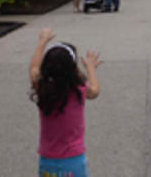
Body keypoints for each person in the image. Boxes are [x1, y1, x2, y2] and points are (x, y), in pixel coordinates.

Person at [29, 28, 101, 177]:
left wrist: (42, 42)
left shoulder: (43, 88)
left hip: (47, 160)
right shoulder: (78, 90)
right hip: (74, 161)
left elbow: (34, 68)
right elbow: (94, 90)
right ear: (73, 68)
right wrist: (91, 69)